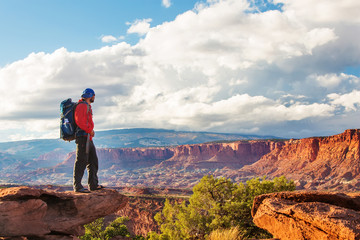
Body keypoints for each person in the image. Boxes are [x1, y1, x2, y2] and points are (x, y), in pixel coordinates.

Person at [73, 88, 104, 193]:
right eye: (94, 96)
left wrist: (90, 132)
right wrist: (89, 130)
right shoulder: (82, 106)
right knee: (81, 161)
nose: (94, 98)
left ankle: (93, 185)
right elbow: (80, 121)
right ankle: (77, 186)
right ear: (91, 96)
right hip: (83, 137)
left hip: (87, 138)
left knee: (93, 161)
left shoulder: (86, 106)